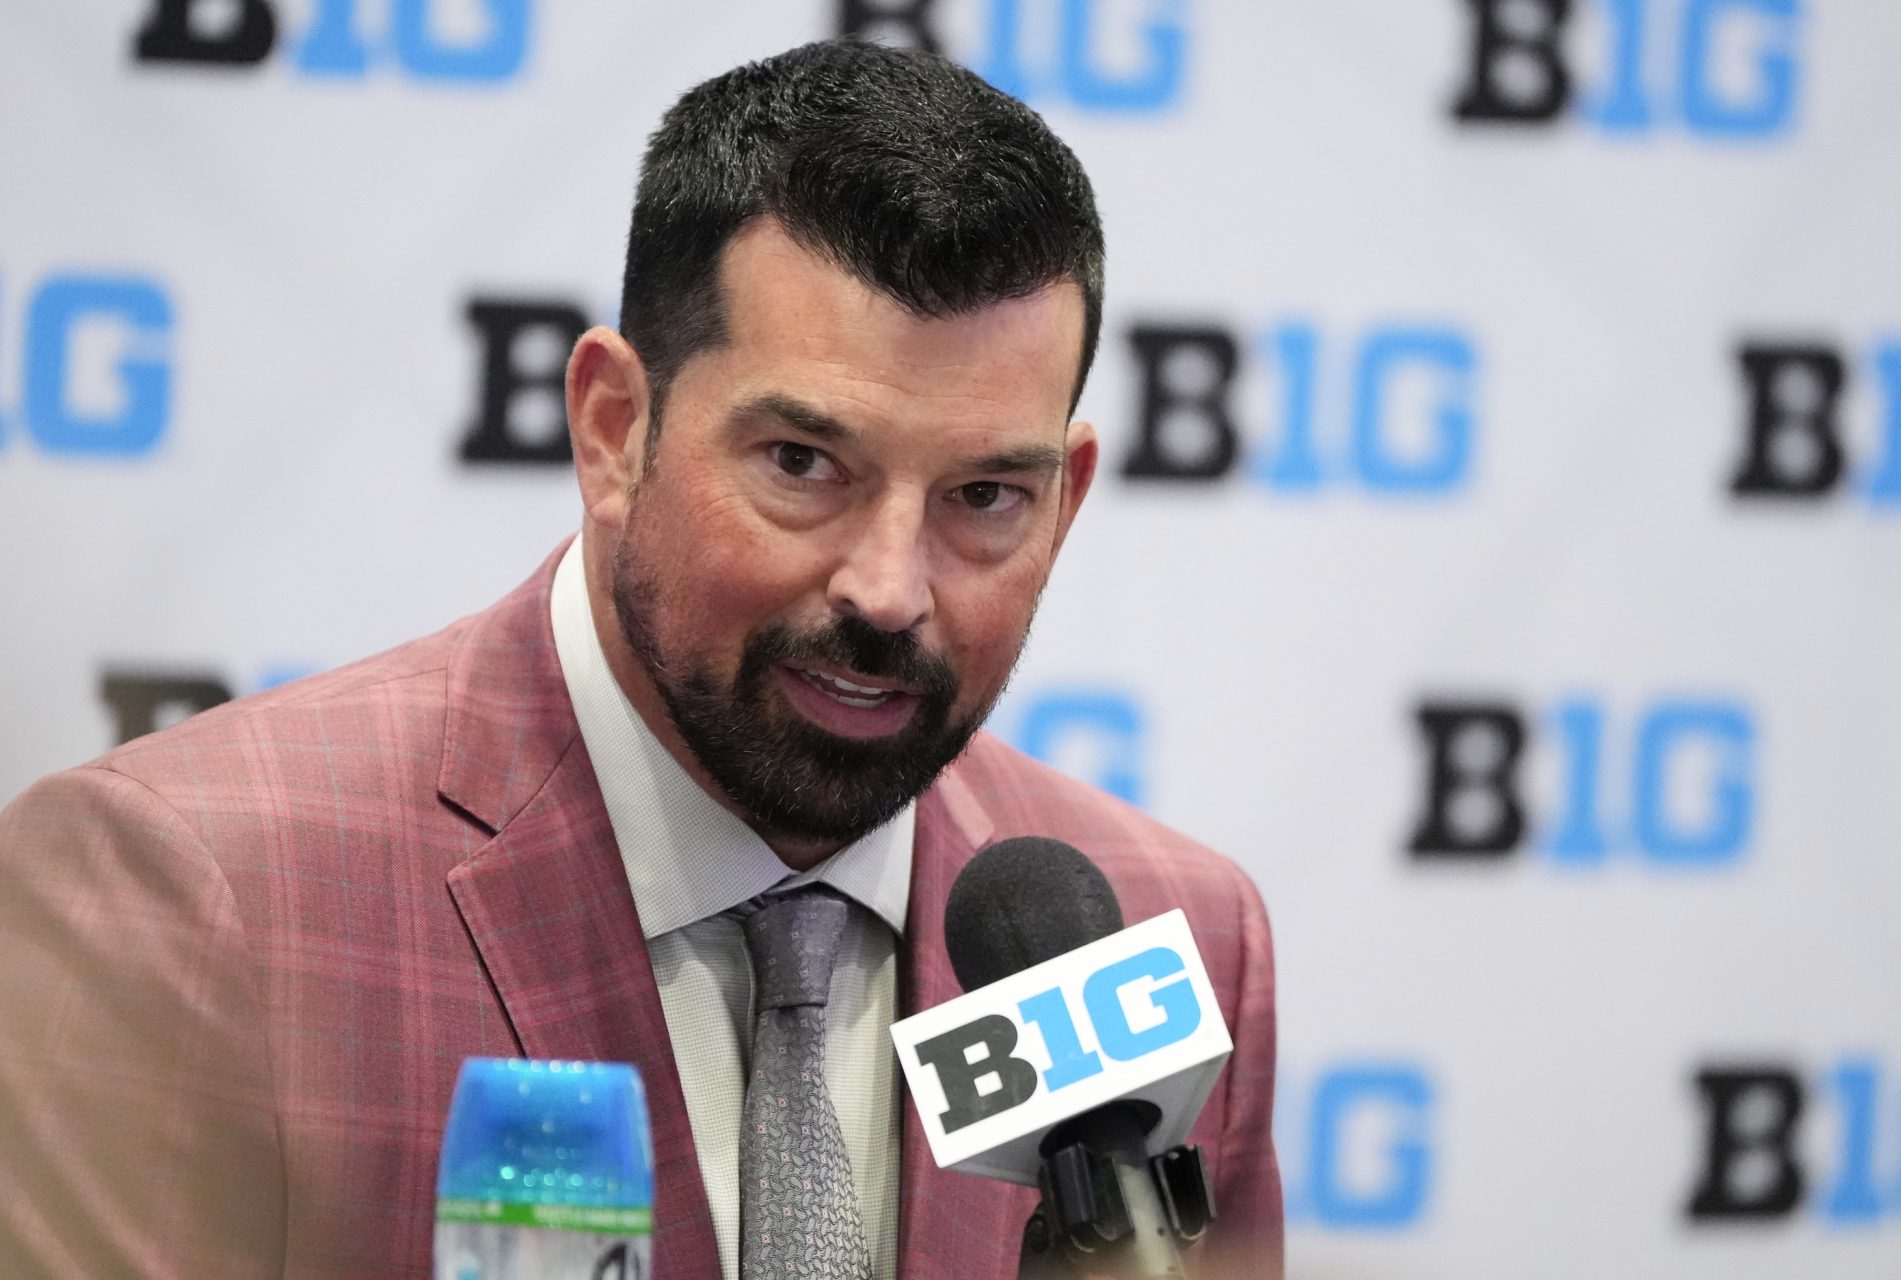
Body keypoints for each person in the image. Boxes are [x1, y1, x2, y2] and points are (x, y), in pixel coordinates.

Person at [0, 39, 1282, 1280]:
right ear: (615, 428)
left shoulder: (1170, 942)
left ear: (1065, 502)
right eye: (802, 464)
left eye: (986, 495)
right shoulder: (196, 896)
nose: (891, 592)